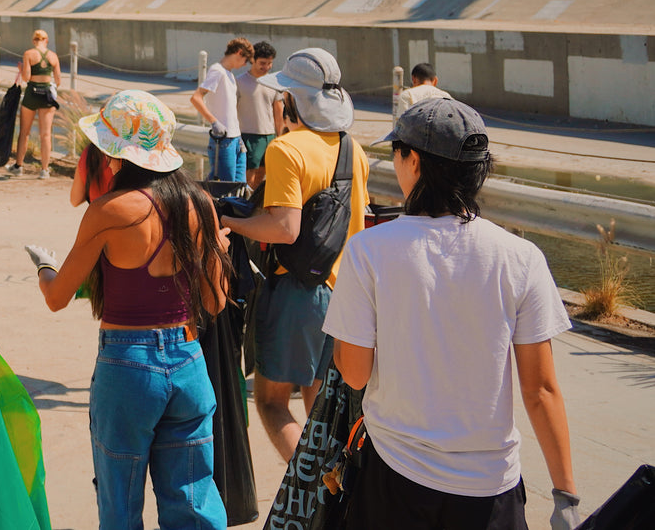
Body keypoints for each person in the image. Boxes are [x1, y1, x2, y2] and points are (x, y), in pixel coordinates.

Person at [326, 98, 581, 530]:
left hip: (394, 478)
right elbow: (540, 390)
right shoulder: (521, 257)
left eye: (397, 153)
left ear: (416, 162)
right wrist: (565, 496)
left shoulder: (369, 251)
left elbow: (354, 374)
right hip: (491, 490)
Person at [24, 90, 231, 530]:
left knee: (120, 503)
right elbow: (215, 301)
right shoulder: (200, 204)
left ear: (115, 154)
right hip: (188, 360)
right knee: (193, 502)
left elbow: (57, 296)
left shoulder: (110, 210)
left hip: (128, 364)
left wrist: (44, 266)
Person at [219, 47, 369, 462]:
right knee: (319, 409)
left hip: (299, 293)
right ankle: (335, 494)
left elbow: (284, 228)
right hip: (344, 293)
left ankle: (311, 493)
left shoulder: (286, 150)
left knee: (270, 401)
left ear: (291, 101)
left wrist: (231, 223)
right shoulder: (350, 148)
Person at [190, 37, 254, 183]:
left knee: (239, 186)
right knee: (225, 186)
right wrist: (214, 122)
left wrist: (238, 135)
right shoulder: (217, 71)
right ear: (239, 53)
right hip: (223, 139)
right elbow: (196, 97)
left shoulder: (229, 74)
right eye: (246, 60)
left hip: (236, 138)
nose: (245, 65)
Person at [11, 29, 62, 179]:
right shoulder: (53, 56)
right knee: (45, 134)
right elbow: (58, 80)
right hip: (46, 95)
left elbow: (26, 78)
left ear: (34, 41)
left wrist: (21, 69)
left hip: (32, 93)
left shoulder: (29, 54)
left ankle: (18, 166)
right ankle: (45, 170)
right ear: (46, 40)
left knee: (24, 132)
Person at [236, 41, 284, 187]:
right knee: (248, 176)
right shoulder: (239, 82)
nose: (266, 67)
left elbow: (278, 111)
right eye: (263, 63)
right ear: (253, 60)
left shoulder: (274, 82)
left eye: (269, 63)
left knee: (263, 174)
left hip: (269, 136)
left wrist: (280, 137)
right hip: (248, 135)